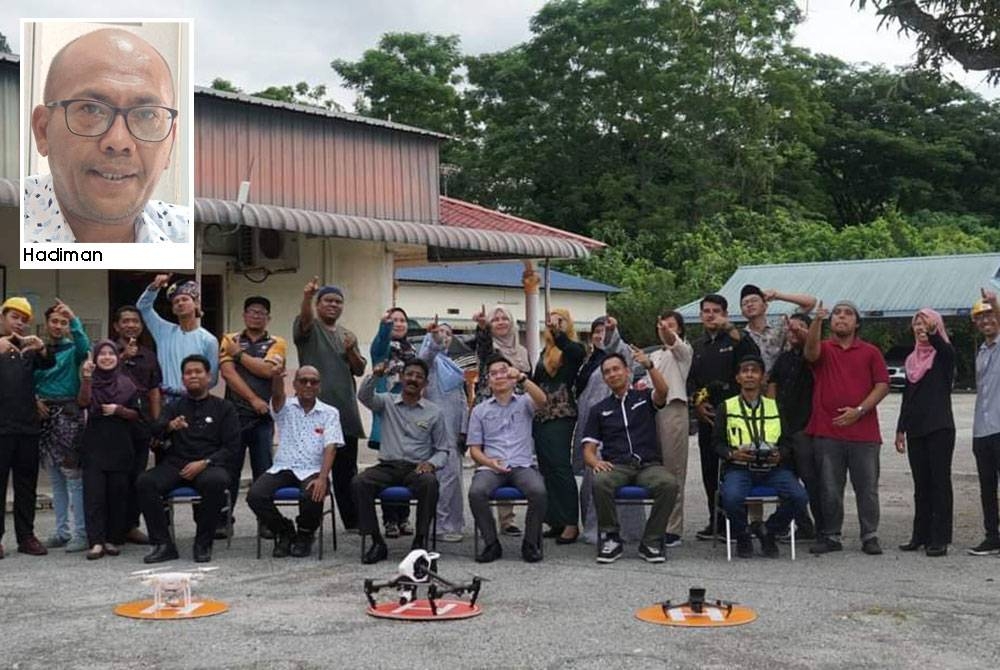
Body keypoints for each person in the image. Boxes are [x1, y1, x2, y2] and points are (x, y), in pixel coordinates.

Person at [25, 28, 189, 243]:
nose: (119, 141)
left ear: (171, 142)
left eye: (147, 115)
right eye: (91, 110)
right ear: (43, 130)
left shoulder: (185, 233)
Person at [804, 300, 890, 556]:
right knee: (829, 487)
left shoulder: (870, 351)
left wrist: (859, 411)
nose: (841, 317)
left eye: (848, 313)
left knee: (867, 488)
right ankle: (831, 535)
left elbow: (882, 385)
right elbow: (809, 354)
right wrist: (816, 321)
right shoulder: (824, 348)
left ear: (857, 322)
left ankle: (870, 535)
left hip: (864, 433)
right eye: (837, 314)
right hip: (828, 431)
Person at [137, 355, 240, 564]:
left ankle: (203, 543)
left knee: (216, 482)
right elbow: (155, 430)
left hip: (208, 464)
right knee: (145, 483)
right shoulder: (174, 407)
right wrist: (169, 427)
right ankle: (163, 544)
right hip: (176, 463)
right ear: (183, 379)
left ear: (208, 377)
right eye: (188, 373)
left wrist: (205, 463)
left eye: (198, 372)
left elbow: (232, 448)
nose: (193, 376)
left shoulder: (224, 408)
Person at [583, 350, 678, 563]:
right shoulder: (599, 409)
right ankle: (610, 537)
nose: (612, 374)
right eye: (607, 372)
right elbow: (588, 449)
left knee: (669, 484)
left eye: (616, 369)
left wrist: (650, 366)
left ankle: (651, 540)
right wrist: (595, 462)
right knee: (600, 481)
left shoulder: (644, 398)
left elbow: (663, 392)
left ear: (627, 372)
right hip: (617, 465)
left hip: (648, 465)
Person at [353, 359, 448, 564]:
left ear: (425, 383)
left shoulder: (434, 412)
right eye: (410, 374)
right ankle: (377, 542)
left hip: (417, 468)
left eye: (419, 376)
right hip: (387, 466)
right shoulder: (386, 401)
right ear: (402, 377)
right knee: (360, 482)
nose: (413, 379)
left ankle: (420, 542)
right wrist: (376, 375)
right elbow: (363, 396)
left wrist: (431, 464)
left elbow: (442, 450)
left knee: (430, 483)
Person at [715, 355, 809, 559]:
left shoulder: (775, 406)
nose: (749, 375)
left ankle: (768, 531)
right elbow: (716, 444)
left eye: (754, 371)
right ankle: (743, 535)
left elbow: (786, 441)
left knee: (799, 497)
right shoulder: (726, 407)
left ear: (762, 378)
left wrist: (780, 454)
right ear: (737, 378)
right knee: (730, 498)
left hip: (772, 468)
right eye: (745, 371)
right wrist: (732, 453)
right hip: (740, 466)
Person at [293, 278, 366, 532]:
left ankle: (353, 522)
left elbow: (358, 369)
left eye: (338, 302)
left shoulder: (348, 335)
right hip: (314, 415)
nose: (333, 305)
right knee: (314, 470)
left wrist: (351, 352)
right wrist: (307, 297)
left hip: (344, 413)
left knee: (347, 472)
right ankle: (308, 525)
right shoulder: (310, 328)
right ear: (318, 304)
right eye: (328, 301)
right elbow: (303, 320)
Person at [247, 366, 342, 558]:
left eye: (313, 381)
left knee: (313, 493)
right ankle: (284, 530)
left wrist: (323, 478)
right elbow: (277, 395)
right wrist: (276, 378)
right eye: (303, 380)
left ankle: (305, 534)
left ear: (319, 386)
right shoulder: (285, 407)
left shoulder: (330, 412)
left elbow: (330, 447)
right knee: (255, 495)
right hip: (283, 467)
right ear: (295, 384)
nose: (308, 384)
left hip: (313, 469)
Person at [688, 294, 760, 540]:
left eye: (716, 311)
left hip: (735, 415)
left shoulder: (737, 339)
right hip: (708, 417)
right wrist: (697, 404)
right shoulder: (697, 346)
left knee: (735, 469)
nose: (711, 315)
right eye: (706, 311)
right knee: (710, 470)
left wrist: (731, 329)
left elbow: (754, 359)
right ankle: (715, 521)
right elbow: (692, 381)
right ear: (700, 316)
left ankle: (737, 523)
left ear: (725, 314)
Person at [467, 354, 549, 563]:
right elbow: (474, 449)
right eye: (493, 374)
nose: (499, 376)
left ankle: (530, 543)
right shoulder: (479, 410)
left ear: (512, 376)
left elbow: (543, 400)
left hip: (522, 465)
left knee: (538, 491)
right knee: (476, 492)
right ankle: (491, 543)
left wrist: (522, 378)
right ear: (488, 381)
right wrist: (488, 462)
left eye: (503, 371)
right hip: (492, 466)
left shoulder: (524, 403)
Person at [219, 296, 286, 534]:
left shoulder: (277, 342)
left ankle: (266, 522)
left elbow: (268, 370)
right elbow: (228, 374)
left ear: (268, 318)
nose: (256, 316)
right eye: (251, 311)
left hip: (262, 420)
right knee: (229, 472)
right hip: (234, 417)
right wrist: (253, 399)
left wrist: (239, 356)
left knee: (263, 471)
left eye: (261, 313)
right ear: (244, 315)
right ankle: (224, 521)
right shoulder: (230, 338)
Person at [573, 316, 641, 545]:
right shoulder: (590, 359)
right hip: (588, 422)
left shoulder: (615, 359)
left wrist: (613, 333)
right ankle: (591, 526)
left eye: (605, 331)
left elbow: (614, 347)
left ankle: (619, 530)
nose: (600, 335)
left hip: (614, 423)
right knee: (589, 476)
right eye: (597, 331)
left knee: (608, 473)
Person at [894, 308, 955, 557]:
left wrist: (933, 334)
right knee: (921, 484)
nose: (920, 328)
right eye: (917, 324)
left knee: (939, 483)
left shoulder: (942, 356)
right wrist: (900, 428)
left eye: (926, 324)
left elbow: (947, 351)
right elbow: (908, 397)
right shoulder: (911, 360)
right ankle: (920, 535)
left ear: (935, 326)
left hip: (939, 428)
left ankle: (939, 538)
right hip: (916, 430)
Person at [0, 297, 55, 558]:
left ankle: (26, 537)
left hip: (27, 428)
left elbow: (48, 363)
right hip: (1, 429)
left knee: (26, 486)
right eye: (14, 317)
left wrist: (41, 347)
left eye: (24, 320)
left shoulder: (28, 349)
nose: (19, 323)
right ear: (2, 317)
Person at [34, 299, 91, 553]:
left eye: (63, 322)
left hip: (68, 413)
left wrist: (75, 318)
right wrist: (34, 399)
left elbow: (85, 346)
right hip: (43, 415)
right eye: (54, 321)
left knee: (73, 477)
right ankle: (61, 531)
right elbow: (28, 378)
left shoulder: (73, 350)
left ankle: (80, 533)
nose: (58, 326)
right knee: (55, 477)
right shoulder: (37, 350)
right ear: (46, 324)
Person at [77, 341, 141, 560]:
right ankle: (95, 541)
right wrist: (86, 378)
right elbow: (83, 402)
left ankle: (113, 539)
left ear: (117, 357)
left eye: (110, 353)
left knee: (118, 494)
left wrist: (119, 410)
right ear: (95, 358)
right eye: (101, 354)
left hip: (121, 445)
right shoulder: (90, 381)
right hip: (94, 446)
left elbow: (136, 415)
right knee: (94, 496)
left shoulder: (126, 383)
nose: (106, 357)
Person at [473, 304, 532, 536]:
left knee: (514, 459)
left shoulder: (523, 351)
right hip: (490, 407)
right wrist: (482, 329)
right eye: (495, 319)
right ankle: (497, 522)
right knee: (491, 460)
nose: (500, 322)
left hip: (518, 408)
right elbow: (484, 347)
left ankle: (510, 520)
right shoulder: (489, 347)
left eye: (504, 318)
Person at [533, 308, 585, 544]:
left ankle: (571, 522)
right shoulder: (545, 351)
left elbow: (575, 353)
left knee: (560, 466)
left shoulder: (572, 348)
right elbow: (537, 380)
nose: (554, 325)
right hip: (541, 413)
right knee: (547, 468)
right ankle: (556, 519)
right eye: (550, 322)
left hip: (562, 412)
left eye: (560, 320)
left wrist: (559, 334)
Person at [111, 305, 163, 544]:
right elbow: (100, 379)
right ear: (116, 326)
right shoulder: (106, 351)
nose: (131, 325)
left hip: (140, 424)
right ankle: (110, 530)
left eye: (135, 321)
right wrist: (122, 358)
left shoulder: (149, 355)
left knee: (136, 477)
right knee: (114, 478)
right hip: (112, 424)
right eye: (126, 321)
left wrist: (156, 424)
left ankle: (131, 525)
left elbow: (154, 392)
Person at [766, 314, 819, 540]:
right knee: (786, 480)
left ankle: (823, 527)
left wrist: (803, 333)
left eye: (800, 328)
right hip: (783, 428)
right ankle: (800, 525)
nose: (794, 332)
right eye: (791, 329)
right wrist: (770, 418)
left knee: (811, 479)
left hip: (806, 426)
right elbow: (772, 386)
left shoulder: (814, 357)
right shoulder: (784, 358)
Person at [419, 319, 471, 543]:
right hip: (435, 429)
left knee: (454, 479)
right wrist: (434, 341)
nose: (444, 336)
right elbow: (426, 356)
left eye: (448, 333)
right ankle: (438, 525)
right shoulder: (429, 362)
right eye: (440, 332)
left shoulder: (455, 365)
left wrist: (464, 430)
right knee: (438, 479)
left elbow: (463, 400)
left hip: (455, 428)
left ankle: (453, 523)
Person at [646, 310, 693, 547]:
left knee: (674, 469)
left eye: (671, 325)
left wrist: (669, 333)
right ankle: (657, 522)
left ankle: (673, 527)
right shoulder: (654, 355)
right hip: (652, 410)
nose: (664, 328)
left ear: (679, 330)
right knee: (655, 469)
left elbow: (676, 344)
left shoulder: (683, 352)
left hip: (673, 409)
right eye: (661, 325)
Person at [369, 307, 417, 537]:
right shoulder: (382, 349)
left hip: (411, 415)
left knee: (408, 465)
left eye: (402, 320)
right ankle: (390, 520)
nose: (398, 323)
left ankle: (404, 518)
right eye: (394, 320)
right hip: (388, 413)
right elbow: (379, 344)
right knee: (388, 468)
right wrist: (384, 326)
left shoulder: (412, 351)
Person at [137, 274, 219, 406]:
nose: (180, 303)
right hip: (165, 400)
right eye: (176, 301)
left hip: (194, 400)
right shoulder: (163, 331)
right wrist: (155, 286)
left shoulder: (209, 340)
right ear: (173, 309)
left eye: (185, 299)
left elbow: (212, 378)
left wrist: (193, 392)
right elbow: (143, 307)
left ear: (196, 303)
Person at [968, 288, 1000, 556]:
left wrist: (995, 303)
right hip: (982, 429)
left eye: (990, 315)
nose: (986, 321)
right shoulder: (980, 352)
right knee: (987, 487)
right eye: (981, 317)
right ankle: (992, 535)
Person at [739, 285, 817, 373]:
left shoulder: (781, 325)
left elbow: (810, 302)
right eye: (745, 303)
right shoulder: (741, 336)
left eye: (754, 300)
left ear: (765, 306)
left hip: (781, 381)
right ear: (742, 312)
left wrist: (777, 295)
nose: (749, 305)